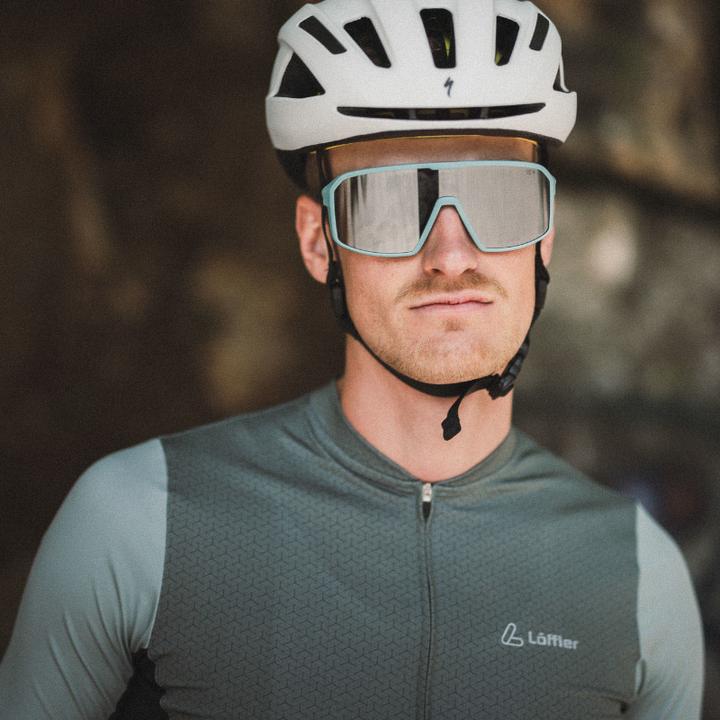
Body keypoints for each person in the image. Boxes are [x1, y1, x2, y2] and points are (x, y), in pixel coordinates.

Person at [0, 1, 705, 718]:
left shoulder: (639, 575)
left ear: (545, 235)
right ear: (318, 242)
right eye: (389, 202)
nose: (451, 256)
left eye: (499, 196)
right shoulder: (137, 521)